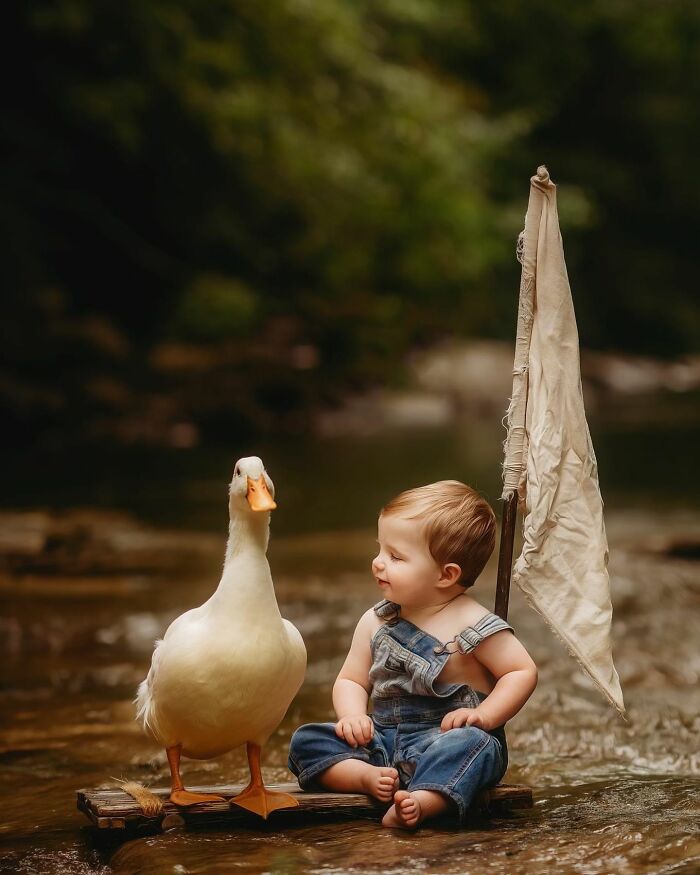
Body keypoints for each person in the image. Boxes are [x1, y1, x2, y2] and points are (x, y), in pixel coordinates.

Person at [288, 480, 538, 829]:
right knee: (307, 740)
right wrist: (352, 717)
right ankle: (363, 777)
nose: (378, 563)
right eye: (380, 550)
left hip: (443, 741)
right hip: (382, 742)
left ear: (446, 574)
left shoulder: (474, 623)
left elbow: (521, 672)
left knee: (476, 746)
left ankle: (423, 801)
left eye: (396, 556)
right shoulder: (376, 620)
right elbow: (350, 680)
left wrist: (485, 716)